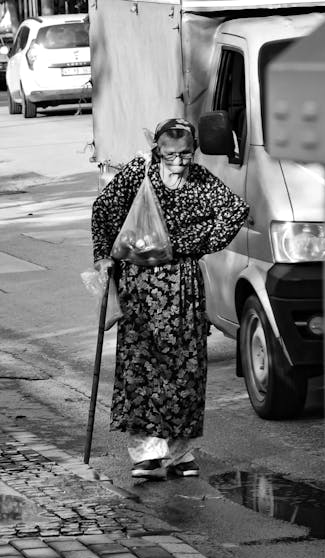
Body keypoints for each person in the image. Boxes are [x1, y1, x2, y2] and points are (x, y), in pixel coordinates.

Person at [91, 118, 249, 479]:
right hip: (140, 284)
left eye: (185, 153)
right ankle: (146, 453)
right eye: (171, 153)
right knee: (141, 366)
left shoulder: (200, 179)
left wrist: (187, 243)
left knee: (185, 366)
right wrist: (103, 256)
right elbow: (104, 210)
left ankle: (180, 453)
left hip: (182, 285)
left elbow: (235, 211)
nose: (178, 160)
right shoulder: (140, 171)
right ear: (157, 149)